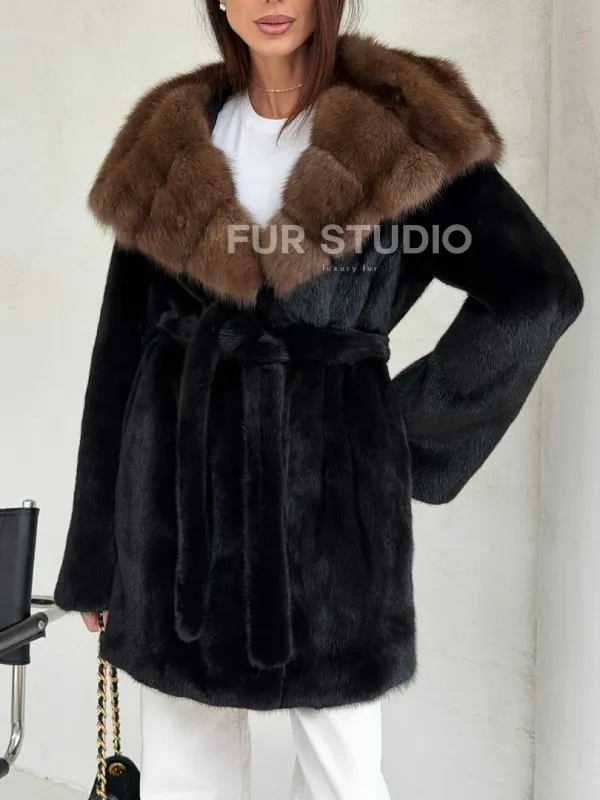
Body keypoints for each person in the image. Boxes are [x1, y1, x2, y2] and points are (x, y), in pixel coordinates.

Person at [53, 1, 584, 798]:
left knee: (344, 774)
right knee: (182, 771)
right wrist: (94, 556)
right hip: (176, 506)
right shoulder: (169, 140)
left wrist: (392, 434)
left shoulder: (401, 126)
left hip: (330, 509)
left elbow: (538, 292)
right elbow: (119, 350)